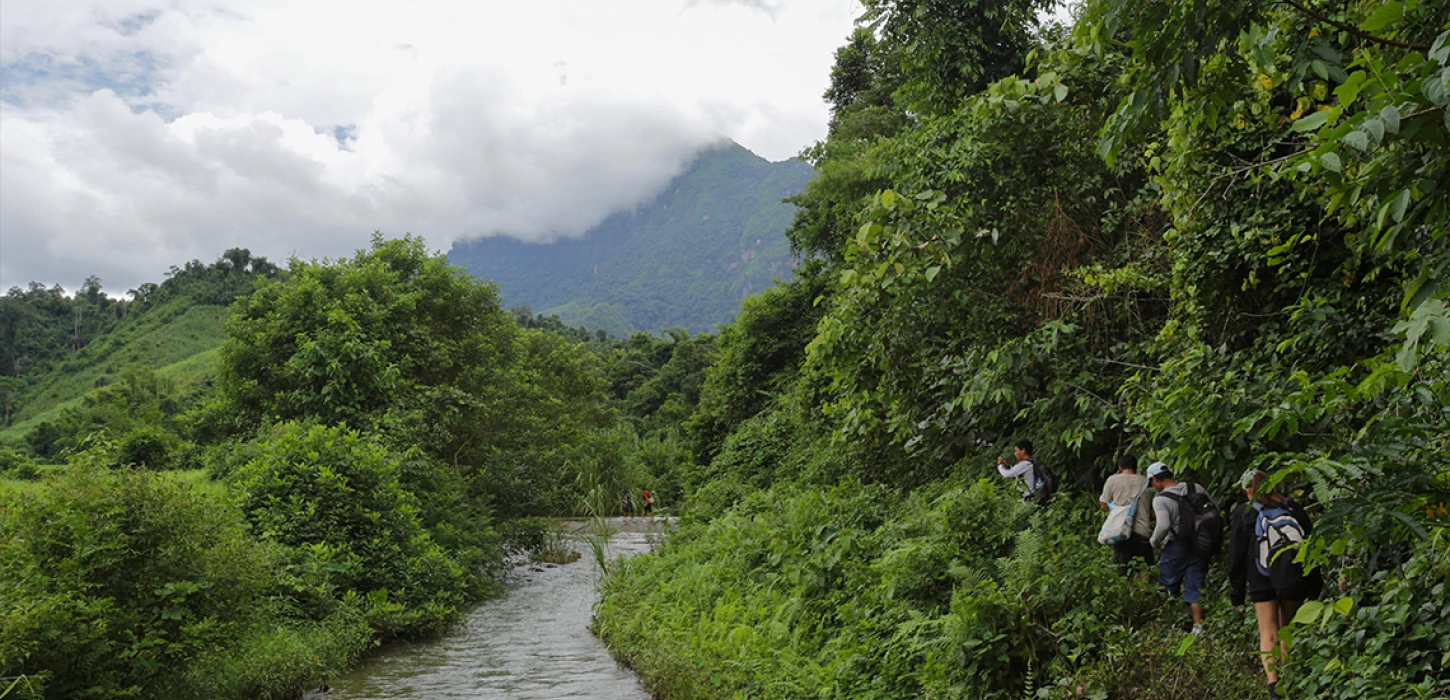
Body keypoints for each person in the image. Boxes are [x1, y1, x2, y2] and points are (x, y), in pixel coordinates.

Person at [1229, 469, 1320, 700]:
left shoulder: (1243, 513)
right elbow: (1310, 545)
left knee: (1268, 631)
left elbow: (1236, 556)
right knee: (1287, 628)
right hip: (1292, 576)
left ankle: (1274, 686)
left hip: (1260, 577)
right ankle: (1290, 679)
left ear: (1247, 489)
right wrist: (1313, 584)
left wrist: (1236, 593)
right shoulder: (1292, 507)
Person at [1147, 462, 1211, 635]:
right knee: (1196, 586)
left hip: (1176, 545)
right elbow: (1213, 510)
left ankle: (1164, 625)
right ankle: (1198, 628)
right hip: (1201, 544)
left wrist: (1154, 542)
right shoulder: (1195, 487)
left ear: (1155, 479)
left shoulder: (1160, 499)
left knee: (1165, 586)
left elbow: (1163, 525)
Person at [1099, 454, 1155, 575]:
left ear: (1120, 468)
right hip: (1143, 532)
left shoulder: (1112, 480)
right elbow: (1155, 513)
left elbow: (1103, 506)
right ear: (1136, 467)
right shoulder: (1147, 482)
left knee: (1125, 571)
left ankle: (1131, 593)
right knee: (1145, 569)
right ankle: (1145, 592)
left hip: (1121, 532)